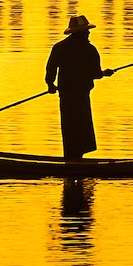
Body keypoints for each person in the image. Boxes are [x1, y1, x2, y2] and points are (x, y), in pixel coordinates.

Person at [44, 14, 113, 162]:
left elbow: (51, 68)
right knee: (81, 127)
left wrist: (50, 84)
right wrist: (104, 73)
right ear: (80, 33)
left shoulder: (59, 47)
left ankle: (71, 159)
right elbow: (95, 73)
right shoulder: (90, 50)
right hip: (81, 95)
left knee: (69, 127)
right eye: (86, 31)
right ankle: (76, 161)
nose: (88, 33)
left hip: (66, 95)